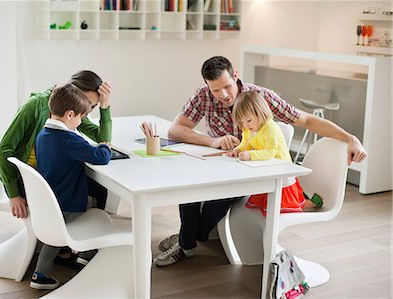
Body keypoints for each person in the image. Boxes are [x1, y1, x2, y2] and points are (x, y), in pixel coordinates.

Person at [153, 56, 366, 267]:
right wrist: (213, 141)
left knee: (215, 202)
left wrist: (350, 138)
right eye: (215, 90)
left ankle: (186, 240)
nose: (223, 95)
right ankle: (186, 240)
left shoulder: (260, 98)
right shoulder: (203, 96)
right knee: (187, 186)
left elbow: (307, 120)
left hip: (249, 175)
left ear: (235, 75)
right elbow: (175, 130)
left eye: (227, 86)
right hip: (217, 166)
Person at [0, 70, 112, 268]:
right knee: (94, 190)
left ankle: (69, 243)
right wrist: (14, 194)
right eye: (89, 105)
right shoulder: (36, 106)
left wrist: (105, 107)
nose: (87, 113)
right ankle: (71, 241)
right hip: (29, 182)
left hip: (47, 178)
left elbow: (101, 136)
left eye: (92, 107)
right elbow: (3, 150)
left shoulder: (70, 110)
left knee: (96, 187)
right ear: (74, 93)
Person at [30, 83, 112, 290]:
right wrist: (105, 145)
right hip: (67, 204)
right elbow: (100, 157)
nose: (81, 122)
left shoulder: (43, 135)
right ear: (69, 115)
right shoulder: (67, 139)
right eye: (81, 117)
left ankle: (40, 275)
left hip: (51, 204)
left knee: (54, 234)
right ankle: (87, 253)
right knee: (97, 201)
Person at [227, 91, 322, 215]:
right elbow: (246, 143)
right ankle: (303, 202)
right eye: (242, 122)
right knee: (265, 200)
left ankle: (306, 204)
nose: (245, 125)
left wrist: (250, 155)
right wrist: (238, 150)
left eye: (248, 121)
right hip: (266, 168)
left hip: (280, 169)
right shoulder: (248, 128)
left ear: (260, 113)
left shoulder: (270, 128)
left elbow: (270, 153)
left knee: (282, 204)